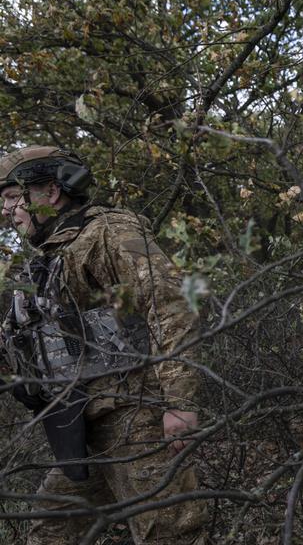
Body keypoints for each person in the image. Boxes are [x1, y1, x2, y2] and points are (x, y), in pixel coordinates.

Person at [0, 146, 208, 544]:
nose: (7, 210)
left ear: (51, 192)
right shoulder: (45, 261)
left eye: (13, 197)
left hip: (136, 414)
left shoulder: (107, 233)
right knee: (51, 531)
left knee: (167, 531)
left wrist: (180, 402)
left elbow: (171, 302)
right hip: (82, 424)